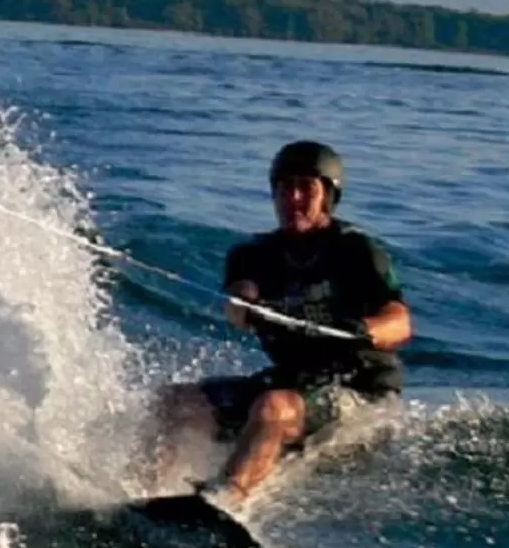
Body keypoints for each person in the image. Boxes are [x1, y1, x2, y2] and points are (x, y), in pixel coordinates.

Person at [162, 140, 412, 501]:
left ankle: (223, 502)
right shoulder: (252, 254)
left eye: (305, 188)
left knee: (271, 408)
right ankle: (139, 497)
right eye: (284, 188)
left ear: (327, 195)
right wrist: (252, 308)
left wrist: (356, 331)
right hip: (295, 383)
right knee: (174, 403)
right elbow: (238, 302)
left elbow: (400, 322)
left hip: (359, 390)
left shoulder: (356, 251)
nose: (292, 198)